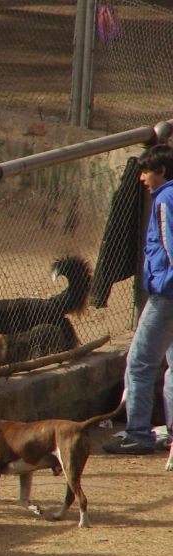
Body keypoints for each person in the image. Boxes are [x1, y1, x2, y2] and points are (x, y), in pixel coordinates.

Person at [103, 143, 173, 455]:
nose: (142, 177)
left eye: (146, 171)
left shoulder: (165, 200)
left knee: (140, 363)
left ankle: (138, 434)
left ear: (161, 171)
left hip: (167, 296)